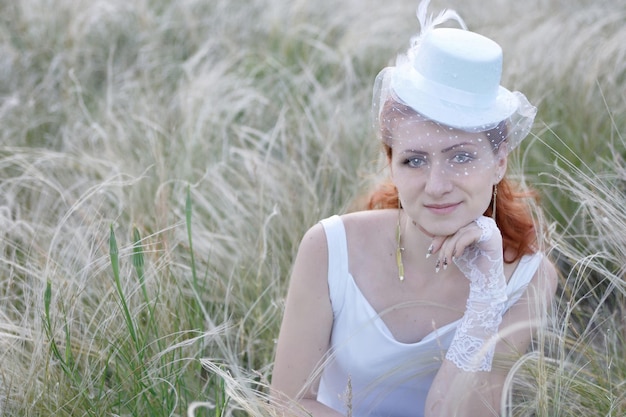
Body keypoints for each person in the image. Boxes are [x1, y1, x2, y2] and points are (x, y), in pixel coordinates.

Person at [270, 2, 558, 416]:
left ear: (500, 162)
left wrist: (486, 298)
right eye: (415, 160)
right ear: (391, 165)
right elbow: (285, 403)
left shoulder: (529, 278)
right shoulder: (330, 247)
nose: (437, 186)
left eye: (461, 157)